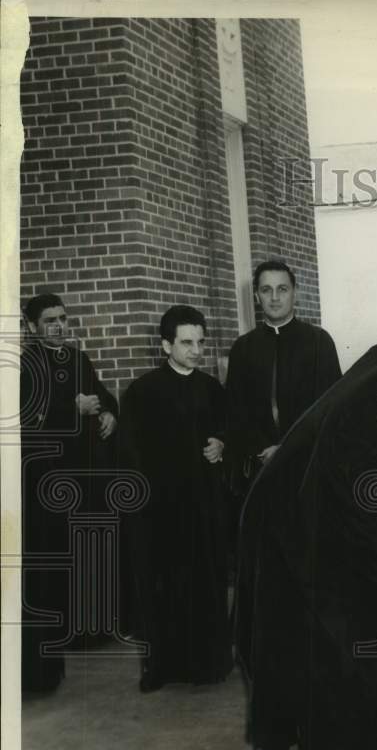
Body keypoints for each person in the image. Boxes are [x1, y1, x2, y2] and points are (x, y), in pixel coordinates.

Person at [233, 336, 377, 750]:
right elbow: (362, 498)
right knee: (318, 638)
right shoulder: (358, 420)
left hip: (321, 529)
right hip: (290, 536)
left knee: (369, 631)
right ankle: (348, 739)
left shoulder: (375, 408)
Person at [119, 306, 232, 692]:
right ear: (165, 344)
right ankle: (160, 666)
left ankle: (209, 662)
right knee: (162, 586)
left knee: (207, 582)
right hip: (162, 511)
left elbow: (226, 430)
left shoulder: (212, 388)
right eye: (187, 343)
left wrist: (221, 443)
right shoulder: (142, 391)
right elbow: (130, 452)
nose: (196, 350)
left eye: (201, 342)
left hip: (204, 508)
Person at [20, 293, 118, 692]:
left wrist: (109, 412)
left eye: (62, 319)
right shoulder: (25, 366)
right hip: (45, 479)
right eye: (49, 321)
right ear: (31, 327)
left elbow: (102, 395)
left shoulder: (78, 359)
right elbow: (25, 424)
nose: (59, 326)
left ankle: (86, 632)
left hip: (82, 475)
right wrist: (71, 411)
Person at [225, 260, 342, 485]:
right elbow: (236, 412)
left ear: (294, 293)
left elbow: (329, 408)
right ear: (257, 296)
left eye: (283, 289)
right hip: (259, 467)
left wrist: (287, 449)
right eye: (266, 290)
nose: (275, 297)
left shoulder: (319, 342)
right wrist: (261, 450)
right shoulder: (242, 348)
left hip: (307, 464)